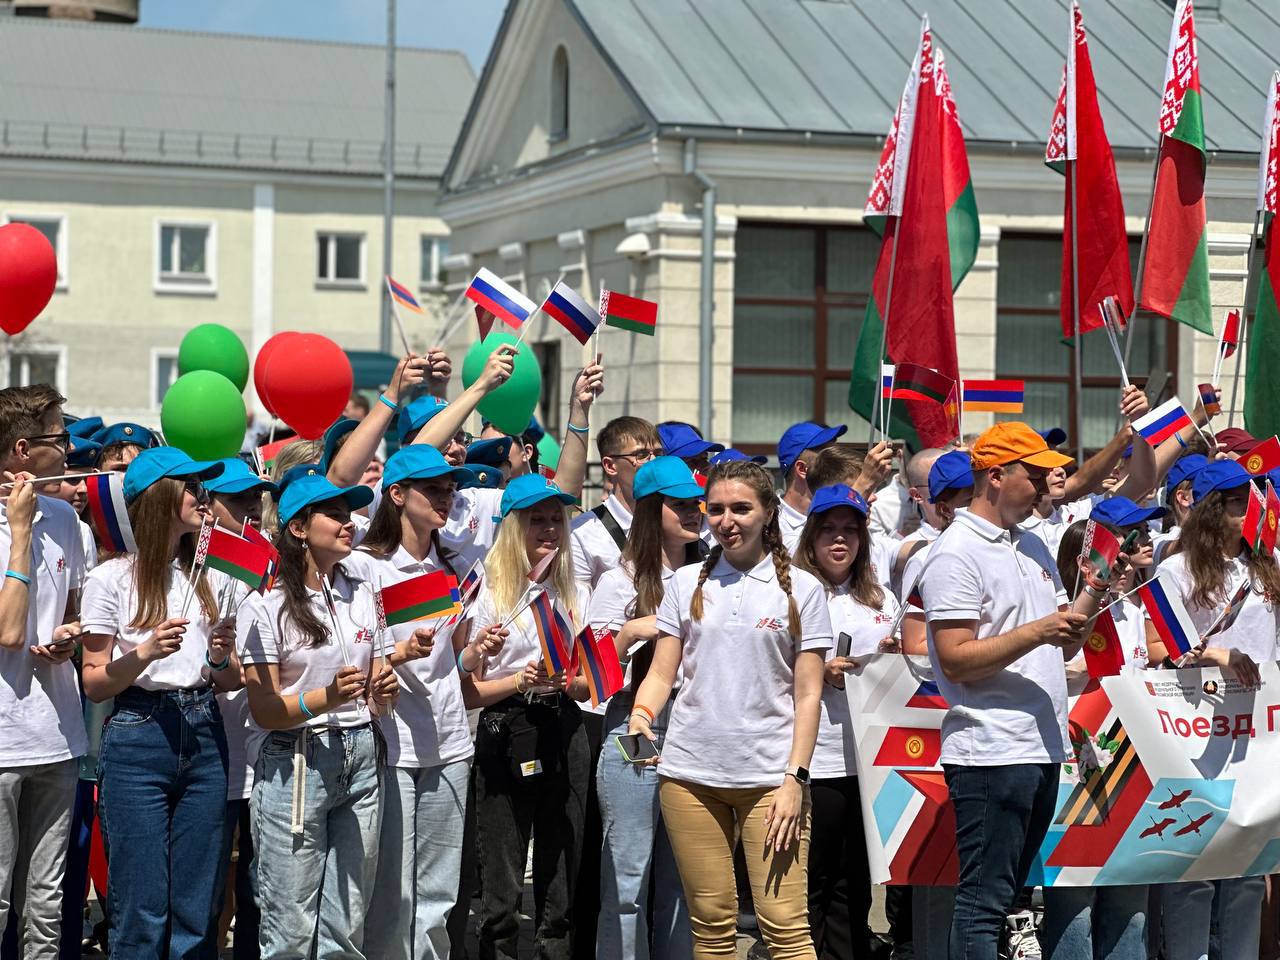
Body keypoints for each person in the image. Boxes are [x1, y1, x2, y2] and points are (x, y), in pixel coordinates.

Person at [919, 423, 1116, 960]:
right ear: (996, 477)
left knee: (1003, 901)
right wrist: (1040, 630)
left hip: (1037, 746)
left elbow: (1066, 641)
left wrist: (1094, 590)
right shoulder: (956, 551)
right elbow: (955, 659)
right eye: (1034, 474)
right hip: (991, 749)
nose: (1047, 484)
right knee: (983, 904)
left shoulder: (1030, 543)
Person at [628, 459, 832, 958]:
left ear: (768, 513)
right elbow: (662, 673)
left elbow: (809, 694)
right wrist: (641, 715)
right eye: (716, 509)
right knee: (712, 926)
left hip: (772, 779)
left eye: (741, 508)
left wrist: (795, 779)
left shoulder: (802, 588)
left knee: (786, 928)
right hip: (689, 776)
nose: (726, 521)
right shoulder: (685, 583)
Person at [79, 448, 239, 958]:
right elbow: (94, 682)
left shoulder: (211, 575)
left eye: (203, 487)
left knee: (197, 905)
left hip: (204, 730)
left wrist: (218, 659)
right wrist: (144, 653)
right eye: (191, 487)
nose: (203, 497)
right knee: (141, 905)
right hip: (138, 732)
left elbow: (228, 679)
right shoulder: (110, 578)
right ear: (159, 498)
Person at [343, 445, 495, 960]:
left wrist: (480, 649)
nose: (445, 498)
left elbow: (458, 659)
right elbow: (352, 655)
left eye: (449, 489)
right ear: (397, 495)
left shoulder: (458, 566)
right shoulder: (366, 566)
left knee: (438, 892)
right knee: (394, 889)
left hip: (449, 741)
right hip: (391, 742)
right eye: (432, 489)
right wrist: (399, 653)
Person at [239, 473, 399, 958]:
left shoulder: (365, 590)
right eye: (334, 515)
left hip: (362, 751)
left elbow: (380, 683)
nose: (348, 523)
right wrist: (324, 698)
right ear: (299, 528)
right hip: (297, 761)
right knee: (290, 928)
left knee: (346, 925)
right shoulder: (264, 603)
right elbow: (265, 709)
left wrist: (384, 690)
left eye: (349, 514)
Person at [1147, 460, 1280, 960]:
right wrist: (1218, 655)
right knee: (1194, 868)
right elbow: (1157, 647)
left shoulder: (1269, 562)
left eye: (1253, 501)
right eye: (1239, 503)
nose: (1251, 511)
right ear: (1211, 510)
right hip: (1199, 728)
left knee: (1249, 870)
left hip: (1259, 732)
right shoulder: (1175, 570)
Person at [463, 474, 592, 959]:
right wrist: (519, 680)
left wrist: (566, 681)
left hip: (563, 725)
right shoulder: (487, 589)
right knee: (501, 881)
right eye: (536, 519)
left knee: (561, 883)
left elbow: (588, 682)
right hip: (505, 728)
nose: (549, 528)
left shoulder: (573, 589)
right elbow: (468, 690)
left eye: (556, 518)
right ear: (513, 527)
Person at [588, 457, 703, 960]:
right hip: (634, 724)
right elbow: (589, 679)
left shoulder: (710, 576)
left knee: (684, 877)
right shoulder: (621, 580)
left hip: (695, 726)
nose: (694, 511)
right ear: (652, 511)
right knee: (628, 875)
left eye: (696, 502)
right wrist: (631, 632)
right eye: (680, 503)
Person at [792, 484, 899, 960]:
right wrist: (818, 671)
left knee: (855, 881)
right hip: (815, 759)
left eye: (850, 531)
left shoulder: (881, 600)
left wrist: (893, 658)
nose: (840, 540)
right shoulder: (792, 593)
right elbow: (767, 668)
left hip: (869, 761)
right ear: (811, 537)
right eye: (829, 530)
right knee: (810, 880)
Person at [0, 385, 87, 959]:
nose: (71, 448)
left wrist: (68, 637)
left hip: (56, 733)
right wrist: (21, 532)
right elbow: (8, 631)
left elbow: (73, 610)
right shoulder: (30, 522)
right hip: (3, 743)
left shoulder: (66, 519)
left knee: (46, 905)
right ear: (24, 449)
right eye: (61, 437)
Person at [1040, 515, 1152, 960]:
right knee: (1075, 892)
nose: (1122, 566)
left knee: (1130, 895)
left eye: (1126, 556)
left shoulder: (1135, 612)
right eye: (1111, 558)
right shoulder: (1057, 612)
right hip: (1076, 765)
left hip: (1131, 761)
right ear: (1079, 563)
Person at [203, 457, 278, 957]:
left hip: (260, 752)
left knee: (259, 891)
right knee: (207, 892)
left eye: (256, 496)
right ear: (208, 505)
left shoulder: (269, 561)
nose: (251, 505)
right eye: (237, 498)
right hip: (210, 753)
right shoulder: (192, 566)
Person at [571, 416, 663, 587]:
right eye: (641, 455)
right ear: (610, 466)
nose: (654, 462)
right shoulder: (583, 533)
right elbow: (577, 603)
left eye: (658, 454)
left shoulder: (672, 520)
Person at [775, 421, 848, 545]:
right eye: (830, 460)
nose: (841, 466)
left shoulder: (842, 516)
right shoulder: (771, 523)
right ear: (802, 469)